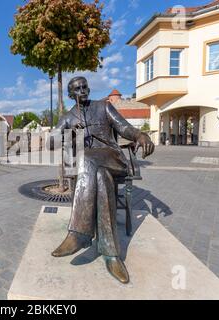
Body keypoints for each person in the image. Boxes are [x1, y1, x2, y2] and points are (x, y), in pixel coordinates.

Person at [50, 76, 155, 284]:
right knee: (99, 175)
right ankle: (111, 254)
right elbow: (51, 143)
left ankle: (79, 234)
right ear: (71, 95)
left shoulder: (103, 107)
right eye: (77, 89)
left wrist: (140, 135)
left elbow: (124, 127)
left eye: (84, 87)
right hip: (93, 168)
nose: (82, 91)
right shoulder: (67, 117)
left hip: (113, 158)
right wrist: (69, 134)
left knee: (87, 157)